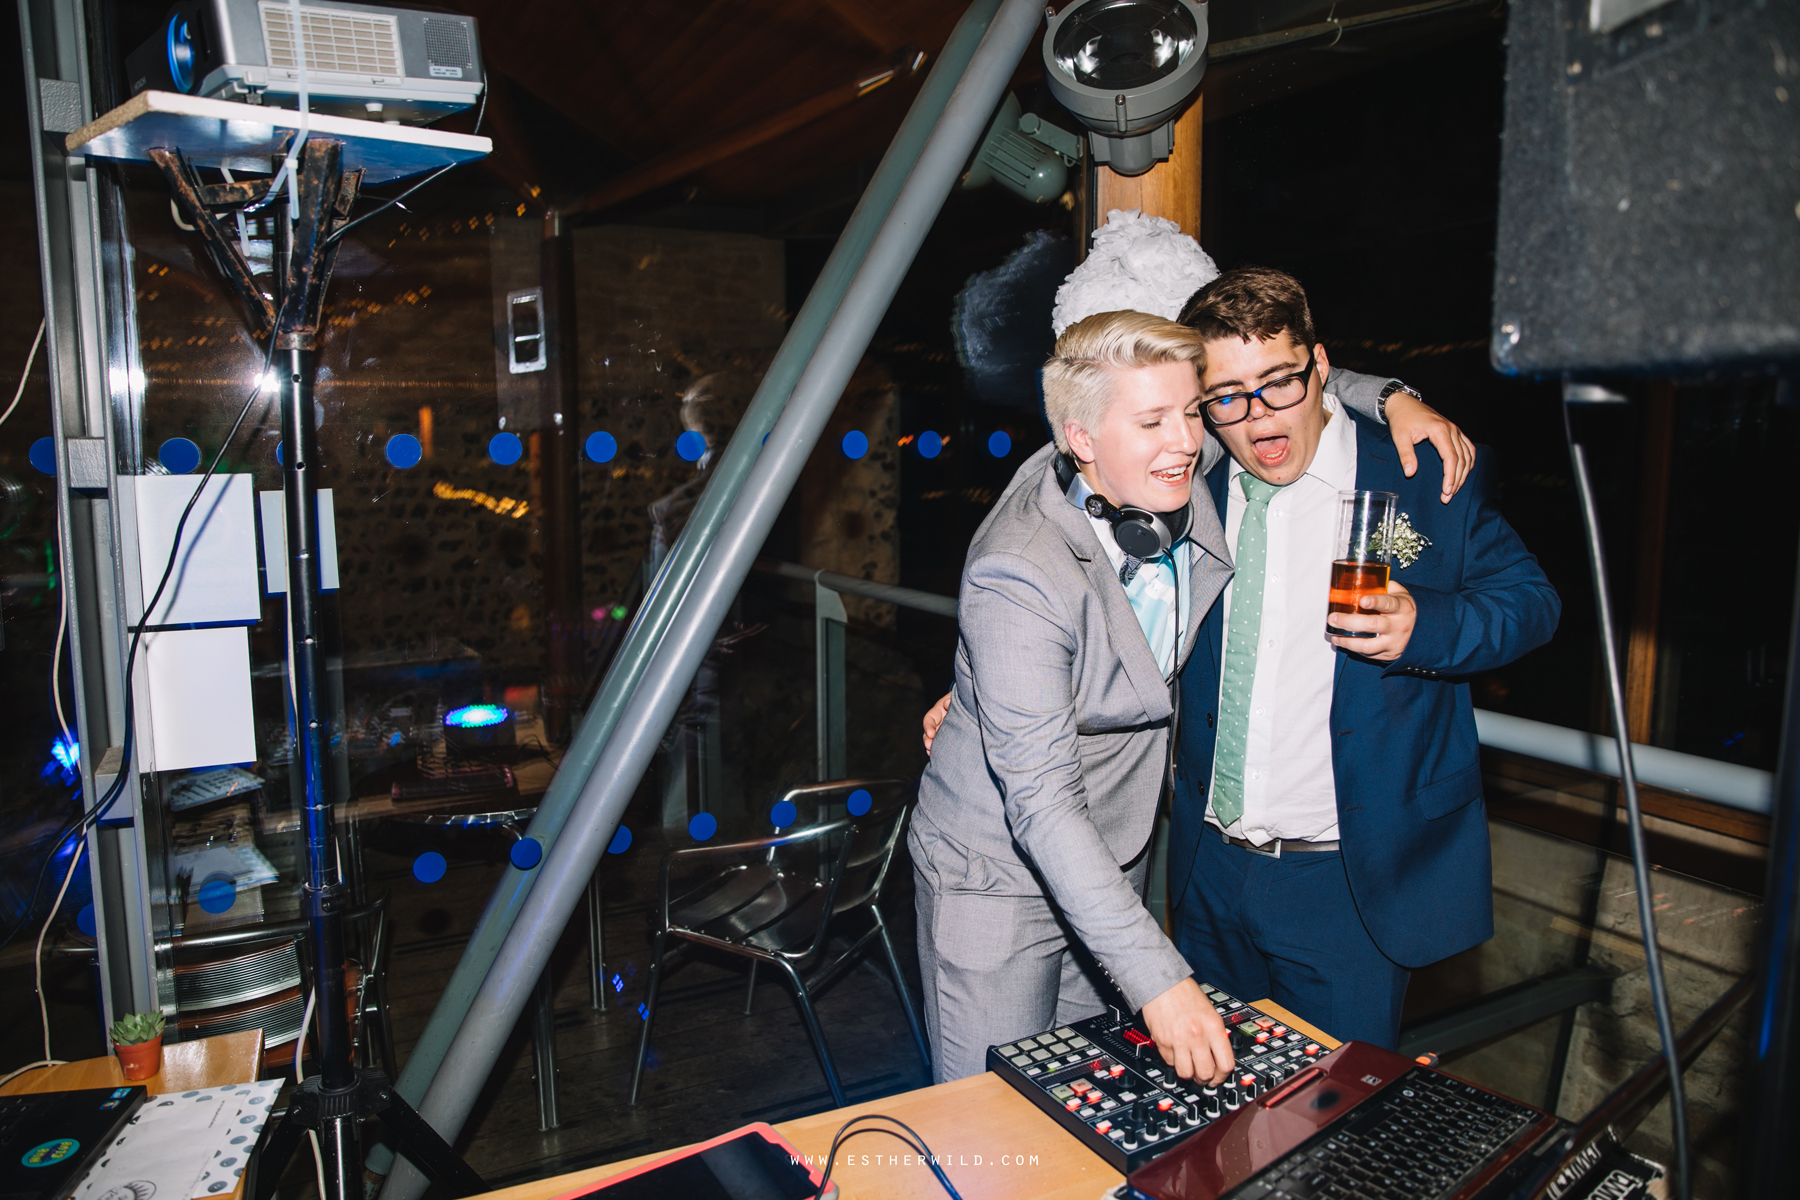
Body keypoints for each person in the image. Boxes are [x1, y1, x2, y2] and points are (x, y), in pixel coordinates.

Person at [911, 308, 1474, 1085]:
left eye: (1188, 412)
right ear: (1082, 440)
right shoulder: (1019, 570)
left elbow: (1277, 384)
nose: (1184, 440)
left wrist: (1394, 397)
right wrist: (1163, 983)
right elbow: (1039, 799)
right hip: (997, 871)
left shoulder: (1170, 465)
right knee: (992, 1123)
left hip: (1113, 862)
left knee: (1082, 1104)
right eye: (1152, 421)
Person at [1168, 267, 1560, 1048]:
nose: (1257, 417)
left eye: (1279, 383)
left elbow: (1532, 604)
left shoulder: (1418, 478)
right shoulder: (1192, 485)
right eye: (1228, 397)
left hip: (1347, 883)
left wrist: (1430, 628)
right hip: (1208, 868)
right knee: (1207, 1126)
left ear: (1319, 369)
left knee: (1331, 1138)